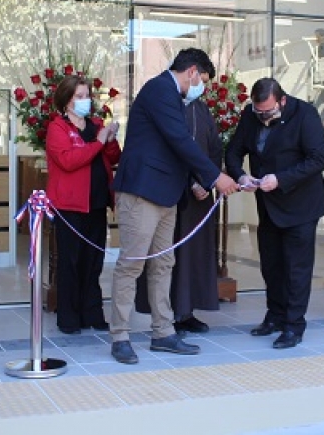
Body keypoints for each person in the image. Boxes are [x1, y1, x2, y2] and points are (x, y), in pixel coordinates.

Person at [109, 48, 238, 364]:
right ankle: (120, 336)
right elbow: (180, 140)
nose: (201, 88)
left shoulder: (174, 96)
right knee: (133, 263)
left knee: (163, 263)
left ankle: (163, 332)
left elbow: (179, 147)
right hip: (141, 192)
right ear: (192, 71)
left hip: (167, 194)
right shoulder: (159, 89)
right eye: (202, 81)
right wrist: (215, 177)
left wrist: (202, 178)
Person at [225, 77, 324, 349]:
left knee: (296, 268)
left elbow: (317, 159)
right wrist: (241, 175)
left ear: (282, 100)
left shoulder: (305, 114)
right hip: (268, 206)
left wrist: (280, 179)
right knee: (272, 266)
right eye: (258, 112)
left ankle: (294, 325)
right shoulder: (251, 115)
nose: (263, 116)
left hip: (301, 205)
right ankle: (275, 316)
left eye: (268, 111)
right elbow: (234, 151)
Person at [135, 95, 223, 334]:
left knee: (193, 256)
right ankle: (164, 314)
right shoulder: (165, 105)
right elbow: (173, 147)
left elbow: (214, 148)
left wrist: (206, 181)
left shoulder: (202, 109)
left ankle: (187, 312)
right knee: (166, 255)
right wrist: (190, 182)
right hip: (171, 192)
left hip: (200, 197)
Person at [46, 75, 121, 334]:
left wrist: (110, 139)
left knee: (93, 261)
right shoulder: (58, 128)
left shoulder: (96, 124)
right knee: (70, 262)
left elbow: (113, 157)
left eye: (87, 96)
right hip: (70, 206)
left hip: (97, 204)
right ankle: (69, 317)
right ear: (67, 101)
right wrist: (99, 142)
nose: (84, 101)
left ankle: (92, 313)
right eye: (78, 97)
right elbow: (68, 160)